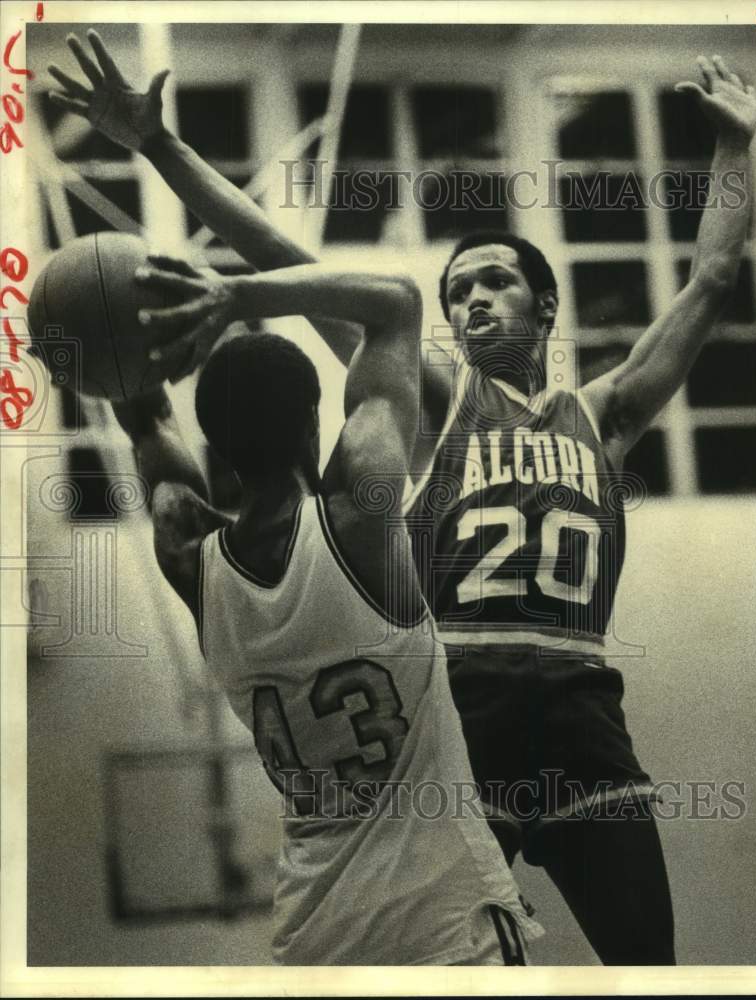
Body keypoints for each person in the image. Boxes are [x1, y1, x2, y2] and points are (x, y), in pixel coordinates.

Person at [48, 34, 756, 964]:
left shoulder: (607, 412)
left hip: (586, 714)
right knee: (451, 936)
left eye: (496, 281)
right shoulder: (436, 398)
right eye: (458, 289)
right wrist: (163, 149)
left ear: (546, 309)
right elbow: (286, 254)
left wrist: (734, 147)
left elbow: (709, 282)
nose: (470, 300)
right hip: (464, 720)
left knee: (650, 966)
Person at [106, 257, 541, 965]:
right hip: (445, 931)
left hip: (316, 943)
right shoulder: (360, 522)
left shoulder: (187, 554)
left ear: (214, 442)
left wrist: (106, 333)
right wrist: (232, 293)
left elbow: (146, 416)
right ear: (315, 420)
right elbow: (396, 303)